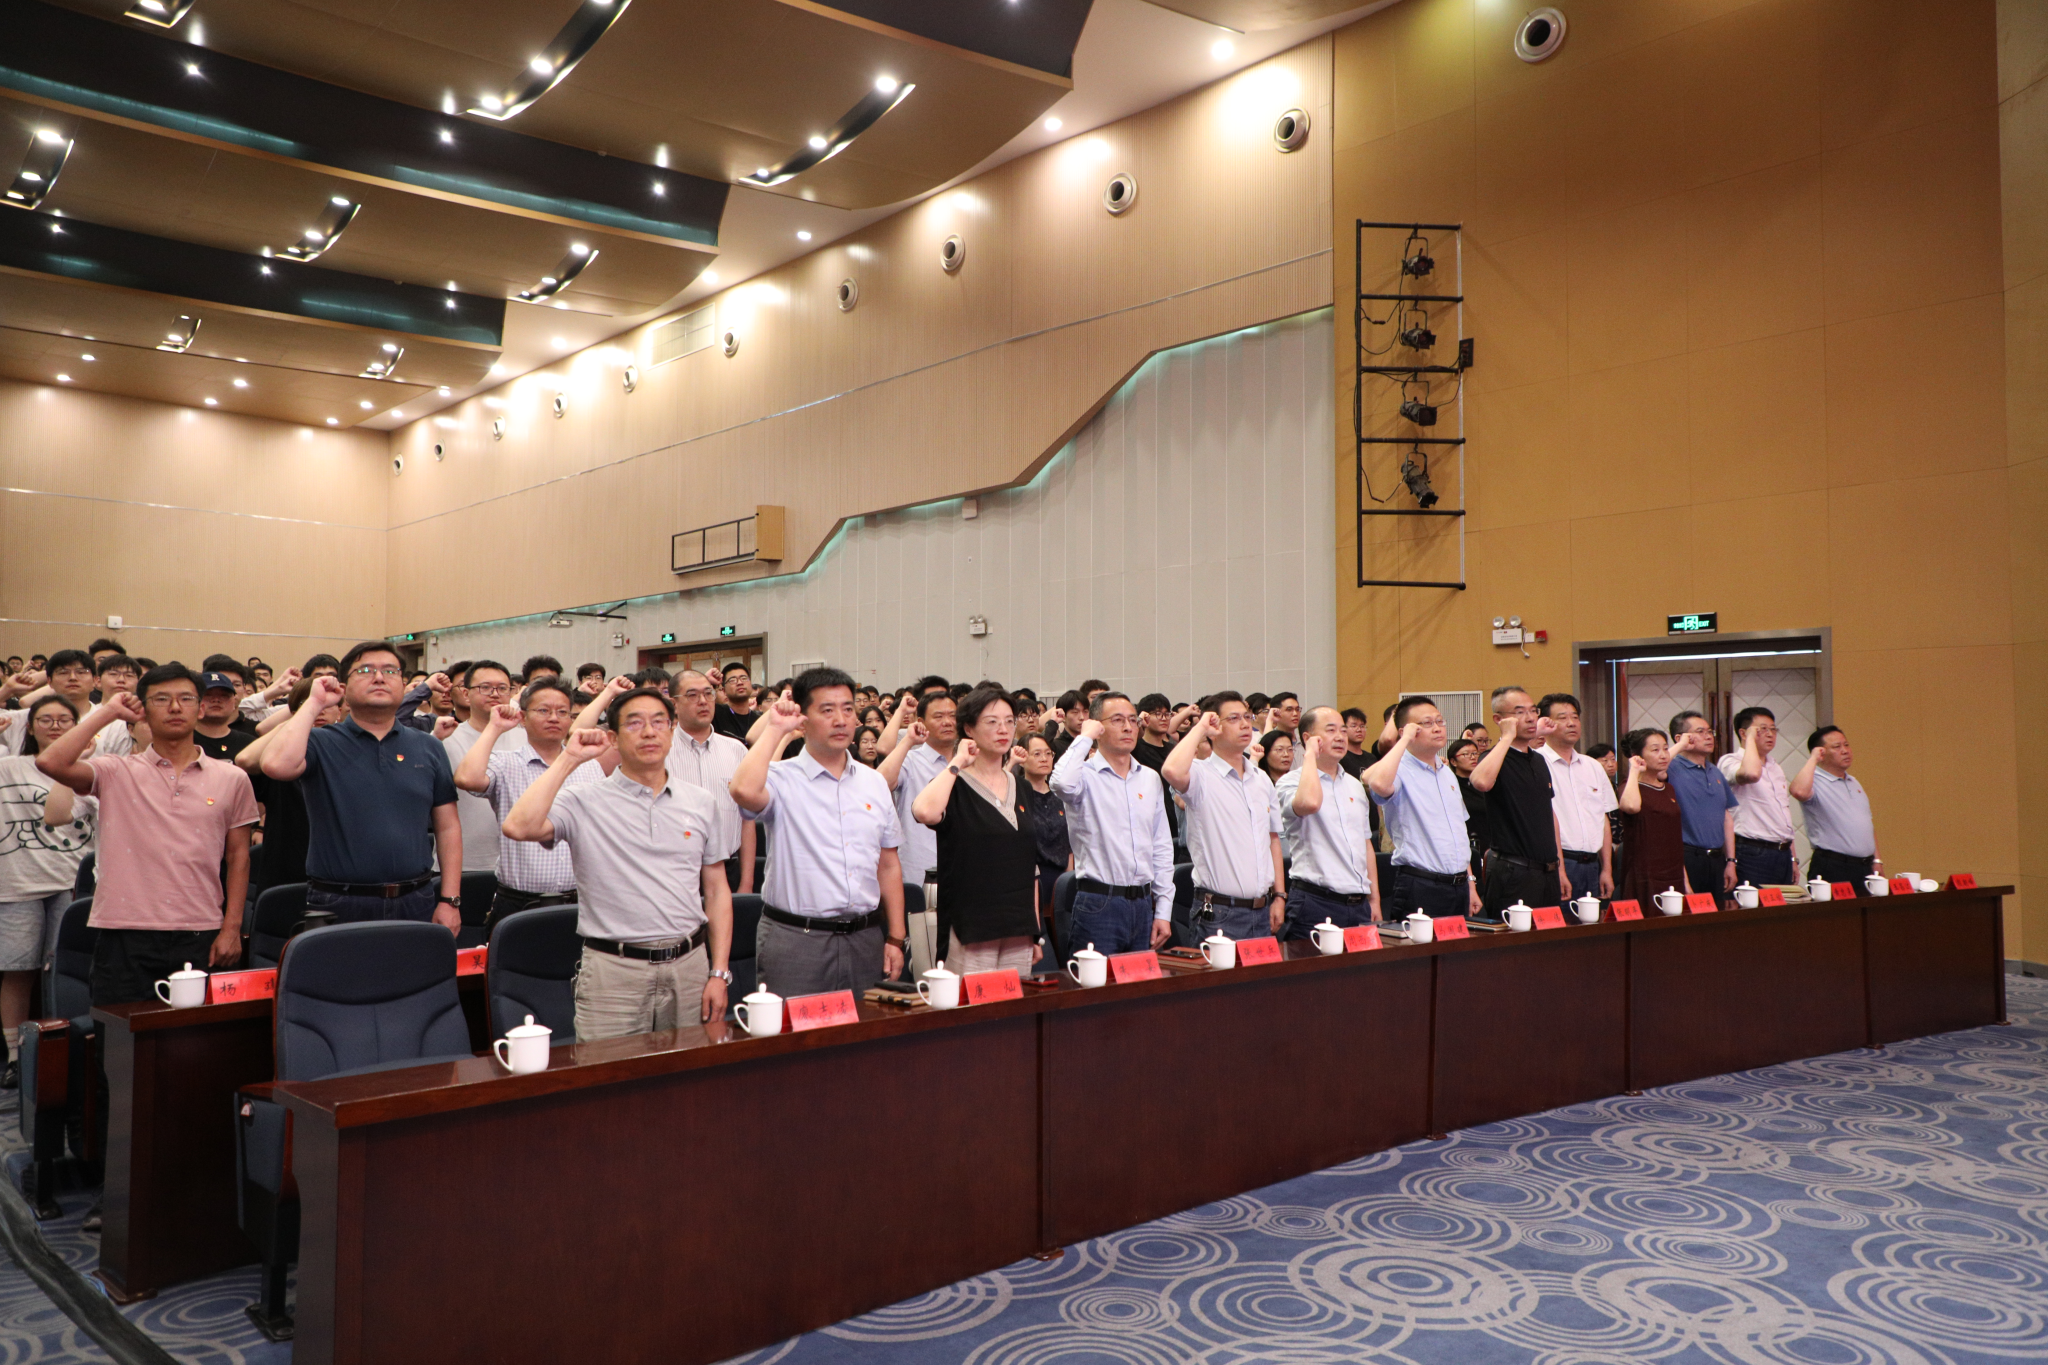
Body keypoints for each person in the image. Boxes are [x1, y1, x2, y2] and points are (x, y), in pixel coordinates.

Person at [503, 687, 734, 1041]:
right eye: (634, 724)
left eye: (659, 722)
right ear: (613, 738)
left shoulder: (701, 802)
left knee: (689, 1070)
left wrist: (718, 973)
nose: (649, 732)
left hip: (689, 966)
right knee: (608, 1070)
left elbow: (717, 891)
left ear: (672, 730)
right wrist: (569, 758)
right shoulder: (583, 799)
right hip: (614, 971)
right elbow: (518, 827)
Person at [36, 664, 257, 987]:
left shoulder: (232, 778)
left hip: (200, 929)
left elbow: (239, 857)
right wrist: (110, 711)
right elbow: (49, 761)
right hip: (123, 930)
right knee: (118, 1021)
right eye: (161, 699)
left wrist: (231, 928)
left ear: (200, 708)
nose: (175, 707)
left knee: (195, 1022)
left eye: (186, 698)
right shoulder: (115, 771)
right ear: (143, 711)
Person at [258, 642, 462, 930]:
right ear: (343, 686)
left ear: (403, 683)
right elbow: (275, 765)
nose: (379, 678)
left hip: (416, 899)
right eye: (365, 670)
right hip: (338, 901)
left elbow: (448, 827)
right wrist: (315, 702)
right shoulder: (320, 741)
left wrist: (450, 900)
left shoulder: (428, 746)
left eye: (390, 671)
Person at [730, 668, 907, 996]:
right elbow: (742, 791)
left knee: (864, 1027)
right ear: (803, 719)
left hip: (865, 937)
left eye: (848, 709)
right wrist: (776, 728)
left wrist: (896, 937)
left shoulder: (874, 783)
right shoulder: (781, 777)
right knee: (794, 1027)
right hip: (797, 939)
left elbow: (888, 864)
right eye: (827, 710)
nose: (841, 720)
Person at [0, 697, 96, 1087]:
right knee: (18, 971)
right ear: (30, 726)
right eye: (45, 720)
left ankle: (64, 1052)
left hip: (69, 881)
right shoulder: (8, 766)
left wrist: (71, 762)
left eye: (64, 720)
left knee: (63, 972)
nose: (55, 726)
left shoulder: (92, 771)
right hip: (16, 883)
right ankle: (15, 1056)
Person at [912, 685, 1040, 973]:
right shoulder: (954, 784)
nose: (1003, 729)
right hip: (971, 926)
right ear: (969, 728)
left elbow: (1029, 865)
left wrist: (1035, 931)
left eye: (1009, 721)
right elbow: (924, 811)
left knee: (1015, 1000)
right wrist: (958, 761)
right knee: (971, 999)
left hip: (1018, 927)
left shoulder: (1021, 786)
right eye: (992, 722)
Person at [455, 677, 600, 930]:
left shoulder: (589, 766)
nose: (554, 718)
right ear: (522, 717)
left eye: (562, 712)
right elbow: (467, 779)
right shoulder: (506, 762)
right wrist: (494, 727)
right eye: (543, 710)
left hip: (579, 902)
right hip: (518, 902)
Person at [1050, 693, 1173, 955]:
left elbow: (1161, 845)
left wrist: (1164, 910)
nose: (1128, 727)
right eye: (1117, 720)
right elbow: (1060, 783)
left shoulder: (1149, 778)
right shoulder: (1084, 776)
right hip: (1099, 903)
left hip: (1143, 904)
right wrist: (1085, 736)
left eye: (1132, 720)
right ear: (1098, 726)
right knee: (1095, 981)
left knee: (1138, 981)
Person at [1162, 693, 1285, 941]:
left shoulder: (1261, 778)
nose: (1245, 724)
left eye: (1247, 717)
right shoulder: (1200, 774)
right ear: (1214, 727)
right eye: (1234, 718)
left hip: (1262, 909)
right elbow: (1171, 770)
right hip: (1218, 911)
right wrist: (1200, 728)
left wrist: (1280, 896)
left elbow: (1272, 838)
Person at [1366, 696, 1482, 919]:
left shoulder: (1447, 772)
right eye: (1427, 723)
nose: (1437, 728)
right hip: (1420, 884)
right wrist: (1404, 740)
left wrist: (1470, 883)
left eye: (1439, 721)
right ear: (1406, 731)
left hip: (1459, 884)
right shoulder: (1397, 769)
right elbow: (1378, 785)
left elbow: (1458, 832)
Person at [1276, 707, 1380, 935]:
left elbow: (1365, 844)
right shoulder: (1290, 782)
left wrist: (1374, 899)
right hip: (1315, 901)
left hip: (1359, 903)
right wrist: (1310, 755)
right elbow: (1309, 803)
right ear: (1308, 738)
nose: (1340, 737)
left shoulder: (1354, 785)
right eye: (1331, 730)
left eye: (1343, 730)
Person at [1465, 687, 1567, 917]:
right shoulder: (1493, 758)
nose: (1530, 718)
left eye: (1533, 710)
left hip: (1548, 870)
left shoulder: (1538, 760)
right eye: (1520, 712)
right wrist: (1507, 737)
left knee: (1549, 935)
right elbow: (1480, 781)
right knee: (1513, 937)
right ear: (1499, 719)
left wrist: (1559, 867)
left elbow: (1548, 815)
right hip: (1513, 871)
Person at [236, 676, 340, 897]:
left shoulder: (348, 751)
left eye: (327, 705)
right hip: (285, 863)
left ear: (339, 710)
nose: (319, 711)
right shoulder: (279, 754)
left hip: (335, 869)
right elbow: (245, 760)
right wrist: (296, 721)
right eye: (308, 705)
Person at [665, 670, 755, 895]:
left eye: (708, 693)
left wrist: (746, 882)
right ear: (674, 704)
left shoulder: (736, 750)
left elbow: (747, 821)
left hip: (728, 868)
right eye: (692, 695)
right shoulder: (661, 751)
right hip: (673, 872)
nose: (703, 701)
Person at [1538, 692, 1616, 901]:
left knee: (1595, 921)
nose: (1571, 723)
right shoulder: (1536, 762)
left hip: (1593, 865)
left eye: (1575, 717)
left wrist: (1606, 869)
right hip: (1556, 864)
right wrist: (1560, 870)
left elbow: (1603, 820)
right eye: (1562, 718)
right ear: (1546, 723)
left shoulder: (1593, 766)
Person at [879, 689, 956, 895]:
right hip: (920, 871)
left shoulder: (969, 761)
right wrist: (908, 741)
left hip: (963, 868)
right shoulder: (911, 760)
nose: (948, 722)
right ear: (921, 722)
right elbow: (879, 784)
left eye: (953, 715)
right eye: (939, 716)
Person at [440, 661, 513, 877]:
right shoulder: (448, 737)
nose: (495, 694)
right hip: (464, 860)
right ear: (465, 693)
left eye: (502, 688)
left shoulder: (526, 737)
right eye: (485, 687)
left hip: (516, 862)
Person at [1790, 725, 1880, 885]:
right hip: (1833, 866)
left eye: (1846, 745)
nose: (1845, 751)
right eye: (1837, 747)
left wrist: (1877, 861)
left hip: (1865, 866)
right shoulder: (1814, 781)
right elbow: (1798, 791)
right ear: (1821, 753)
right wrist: (1813, 759)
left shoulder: (1854, 782)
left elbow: (1867, 825)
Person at [1719, 707, 1797, 886]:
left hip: (1782, 852)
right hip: (1751, 851)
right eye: (1762, 729)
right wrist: (1750, 740)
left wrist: (1793, 858)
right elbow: (1751, 774)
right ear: (1743, 733)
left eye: (1773, 729)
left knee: (1781, 904)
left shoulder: (1775, 767)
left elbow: (1783, 814)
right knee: (1755, 903)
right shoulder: (1730, 761)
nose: (1770, 734)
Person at [1667, 710, 1738, 905]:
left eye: (1709, 731)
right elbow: (1652, 768)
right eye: (1700, 731)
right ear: (1680, 738)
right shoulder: (1671, 768)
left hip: (1717, 858)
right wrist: (1679, 747)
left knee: (1716, 918)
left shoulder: (1715, 771)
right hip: (1687, 857)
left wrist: (1731, 861)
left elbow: (1726, 817)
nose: (1708, 736)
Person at [1616, 727, 1689, 902]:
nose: (1663, 755)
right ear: (1637, 756)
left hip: (1674, 871)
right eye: (1655, 750)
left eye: (1666, 749)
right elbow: (1631, 806)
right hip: (1644, 873)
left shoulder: (1668, 788)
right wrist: (1635, 770)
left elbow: (1674, 837)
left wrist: (1685, 880)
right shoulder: (1629, 787)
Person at [1015, 733, 1070, 943]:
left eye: (1048, 753)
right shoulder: (1016, 794)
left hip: (1061, 878)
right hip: (1031, 880)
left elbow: (1069, 843)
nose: (1044, 759)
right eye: (1037, 754)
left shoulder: (1061, 795)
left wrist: (1068, 880)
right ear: (1022, 759)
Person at [1445, 737, 1491, 866]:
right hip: (1465, 846)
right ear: (1453, 761)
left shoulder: (1484, 783)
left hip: (1489, 845)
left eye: (1475, 753)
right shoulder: (1451, 785)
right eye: (1466, 754)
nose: (1473, 757)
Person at [192, 671, 255, 762]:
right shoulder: (182, 742)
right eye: (208, 695)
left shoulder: (249, 744)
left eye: (224, 696)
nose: (216, 700)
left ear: (234, 702)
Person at [712, 662, 757, 742]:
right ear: (724, 690)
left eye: (744, 678)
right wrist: (707, 680)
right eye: (732, 680)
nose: (740, 683)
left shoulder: (759, 719)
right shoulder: (715, 713)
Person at [1339, 708, 1373, 779]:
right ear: (1343, 729)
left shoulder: (1372, 758)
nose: (1359, 730)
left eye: (1362, 726)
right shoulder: (1340, 757)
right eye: (1354, 726)